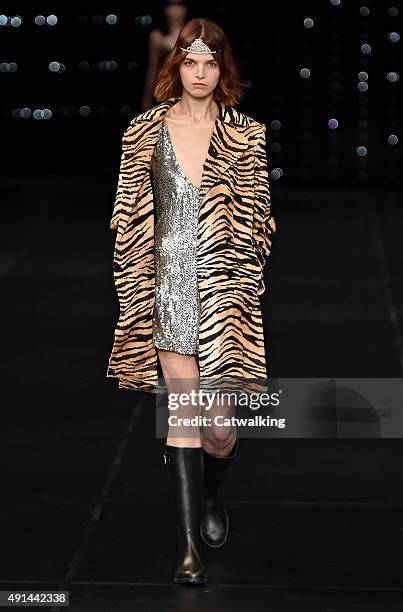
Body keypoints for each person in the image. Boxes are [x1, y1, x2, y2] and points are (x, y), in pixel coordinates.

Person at [107, 17, 276, 585]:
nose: (200, 73)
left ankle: (208, 495)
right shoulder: (144, 130)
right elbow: (127, 214)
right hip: (168, 285)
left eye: (210, 63)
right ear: (175, 65)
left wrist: (245, 276)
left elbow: (260, 218)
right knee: (183, 406)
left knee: (220, 428)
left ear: (221, 68)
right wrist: (135, 284)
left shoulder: (245, 133)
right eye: (190, 62)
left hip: (225, 288)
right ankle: (188, 554)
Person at [140, 0, 189, 112]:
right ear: (166, 10)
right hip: (165, 91)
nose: (176, 10)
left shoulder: (193, 35)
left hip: (188, 91)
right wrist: (146, 100)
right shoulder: (158, 37)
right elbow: (153, 69)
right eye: (172, 6)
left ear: (185, 9)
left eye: (179, 5)